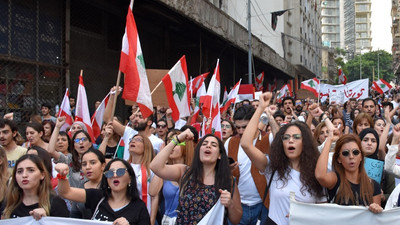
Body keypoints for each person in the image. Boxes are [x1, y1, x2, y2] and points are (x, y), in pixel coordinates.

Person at [241, 92, 325, 225]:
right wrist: (261, 108)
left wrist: (304, 214)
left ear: (305, 143)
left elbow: (324, 211)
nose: (290, 141)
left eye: (296, 137)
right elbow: (245, 144)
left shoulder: (318, 172)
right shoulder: (272, 168)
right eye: (286, 138)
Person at [150, 130, 242, 224]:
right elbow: (155, 166)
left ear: (219, 155)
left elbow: (236, 220)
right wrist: (177, 139)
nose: (208, 146)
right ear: (198, 151)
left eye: (213, 145)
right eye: (204, 144)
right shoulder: (185, 172)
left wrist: (230, 204)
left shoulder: (228, 180)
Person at [56, 158, 150, 224]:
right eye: (109, 173)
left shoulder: (139, 207)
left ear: (130, 178)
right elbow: (65, 192)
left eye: (120, 171)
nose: (115, 175)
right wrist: (62, 175)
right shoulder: (97, 197)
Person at [225, 104, 270, 224]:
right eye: (237, 127)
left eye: (244, 127)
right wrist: (227, 169)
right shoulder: (230, 142)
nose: (240, 131)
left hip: (264, 205)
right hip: (238, 206)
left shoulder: (268, 140)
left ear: (255, 122)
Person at [315, 133, 382, 213]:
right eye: (345, 153)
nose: (351, 156)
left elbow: (376, 219)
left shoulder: (373, 185)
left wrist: (376, 209)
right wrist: (329, 140)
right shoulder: (335, 180)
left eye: (355, 152)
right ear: (339, 159)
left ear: (361, 157)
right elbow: (320, 176)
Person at [1, 154, 69, 219]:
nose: (24, 175)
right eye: (19, 171)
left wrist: (46, 221)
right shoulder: (9, 202)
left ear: (42, 175)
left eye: (31, 170)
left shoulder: (55, 203)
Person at [149, 130, 194, 225]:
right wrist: (163, 159)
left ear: (186, 147)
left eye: (176, 143)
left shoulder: (193, 172)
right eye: (169, 142)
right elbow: (152, 192)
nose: (172, 146)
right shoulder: (164, 170)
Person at [127, 134, 158, 225]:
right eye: (132, 140)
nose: (133, 141)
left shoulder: (152, 170)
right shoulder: (123, 167)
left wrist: (151, 221)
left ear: (146, 147)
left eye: (138, 140)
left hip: (144, 216)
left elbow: (155, 197)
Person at [70, 149, 106, 219]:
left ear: (103, 166)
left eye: (93, 163)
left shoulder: (111, 186)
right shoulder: (80, 187)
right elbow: (74, 216)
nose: (88, 167)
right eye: (84, 164)